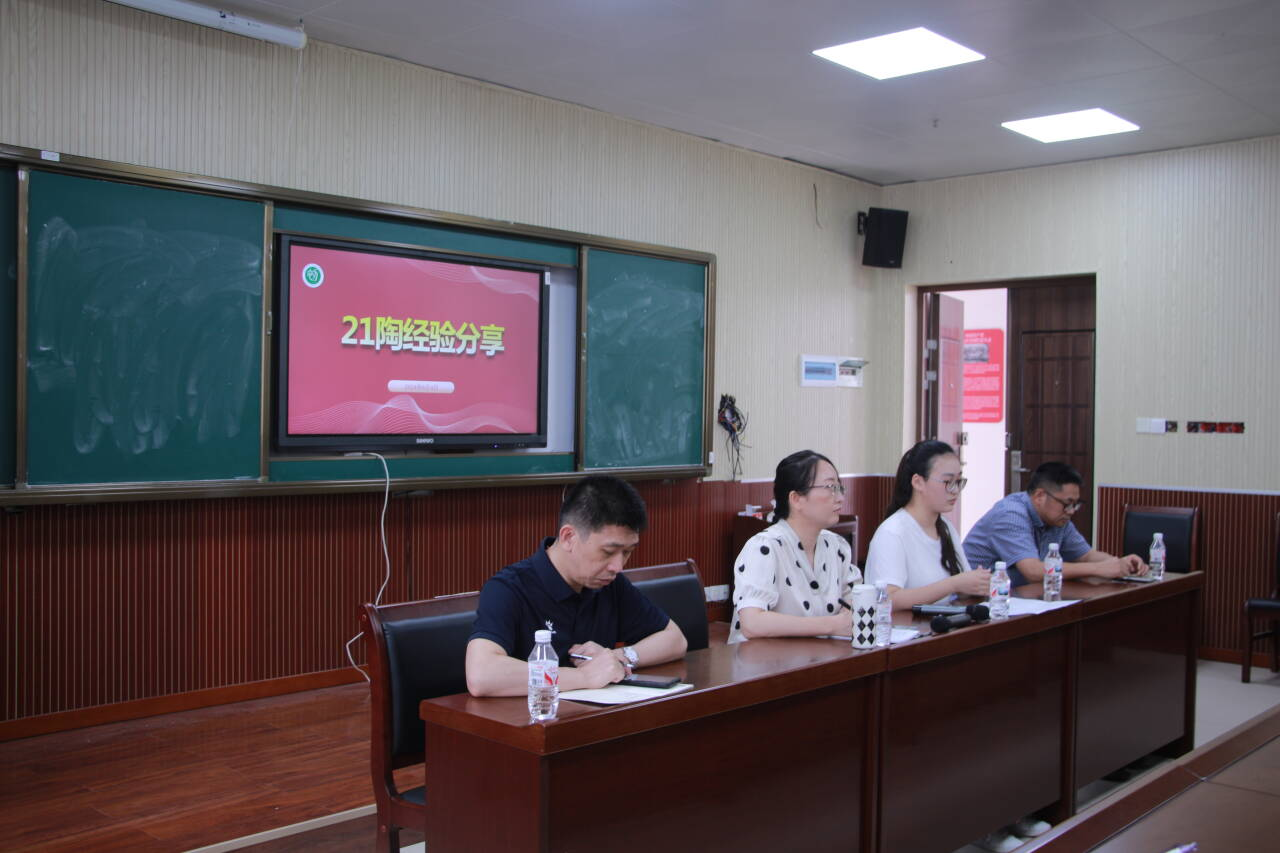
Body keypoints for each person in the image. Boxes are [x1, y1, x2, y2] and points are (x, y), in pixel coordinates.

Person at [465, 475, 688, 696]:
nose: (618, 566)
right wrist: (584, 677)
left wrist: (619, 657)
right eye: (608, 552)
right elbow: (481, 675)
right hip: (532, 715)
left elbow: (675, 639)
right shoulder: (508, 588)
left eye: (628, 552)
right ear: (569, 537)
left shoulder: (609, 584)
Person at [729, 450, 861, 644]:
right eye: (830, 487)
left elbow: (856, 602)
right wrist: (831, 625)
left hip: (818, 656)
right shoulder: (764, 547)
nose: (840, 497)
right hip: (763, 659)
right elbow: (752, 623)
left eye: (840, 487)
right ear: (796, 499)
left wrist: (852, 612)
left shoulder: (836, 546)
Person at [963, 461, 1148, 588]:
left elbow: (1086, 556)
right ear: (1040, 496)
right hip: (973, 600)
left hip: (1016, 596)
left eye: (1075, 504)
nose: (1071, 511)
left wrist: (1121, 564)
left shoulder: (1059, 518)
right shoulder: (1011, 514)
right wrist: (1100, 569)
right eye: (1067, 503)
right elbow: (1032, 571)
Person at [864, 440, 990, 609]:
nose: (955, 490)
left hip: (941, 621)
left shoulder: (945, 527)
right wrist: (953, 584)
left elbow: (962, 587)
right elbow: (887, 599)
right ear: (918, 482)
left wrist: (977, 584)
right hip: (906, 624)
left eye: (959, 481)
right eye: (948, 482)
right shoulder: (892, 533)